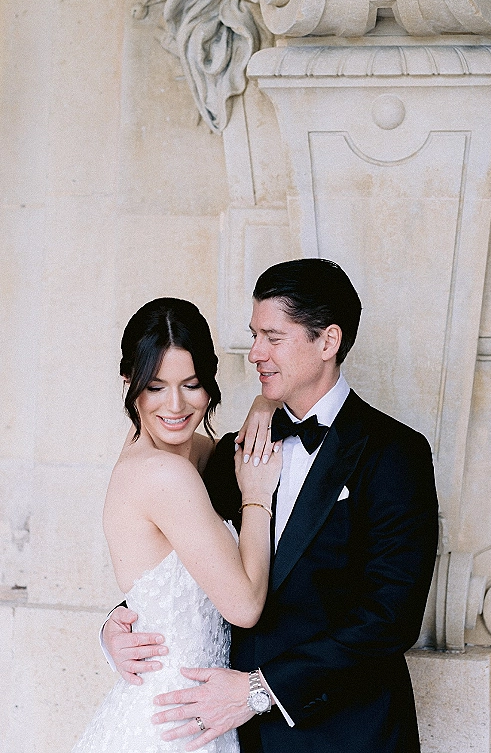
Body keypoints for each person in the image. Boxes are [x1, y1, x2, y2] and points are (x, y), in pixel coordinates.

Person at [104, 260, 440, 753]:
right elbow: (184, 566)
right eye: (254, 334)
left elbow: (391, 617)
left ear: (327, 342)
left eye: (273, 337)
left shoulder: (395, 453)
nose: (255, 352)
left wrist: (264, 690)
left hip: (348, 734)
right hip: (236, 737)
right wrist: (117, 626)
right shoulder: (230, 454)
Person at [72, 298, 282, 753]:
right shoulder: (164, 474)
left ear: (209, 383)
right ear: (129, 385)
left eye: (191, 385)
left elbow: (219, 449)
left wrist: (266, 405)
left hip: (186, 711)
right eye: (154, 387)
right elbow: (244, 606)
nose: (175, 405)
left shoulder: (181, 454)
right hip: (172, 726)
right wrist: (257, 499)